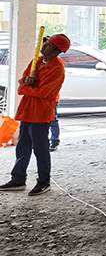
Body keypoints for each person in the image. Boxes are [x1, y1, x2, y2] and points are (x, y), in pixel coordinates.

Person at [0, 34, 70, 196]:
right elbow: (23, 81)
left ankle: (44, 182)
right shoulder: (37, 61)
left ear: (56, 51)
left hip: (41, 113)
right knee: (22, 147)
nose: (44, 45)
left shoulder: (57, 68)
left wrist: (26, 87)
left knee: (40, 149)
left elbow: (44, 92)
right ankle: (18, 179)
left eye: (48, 44)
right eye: (45, 42)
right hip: (27, 110)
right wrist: (27, 84)